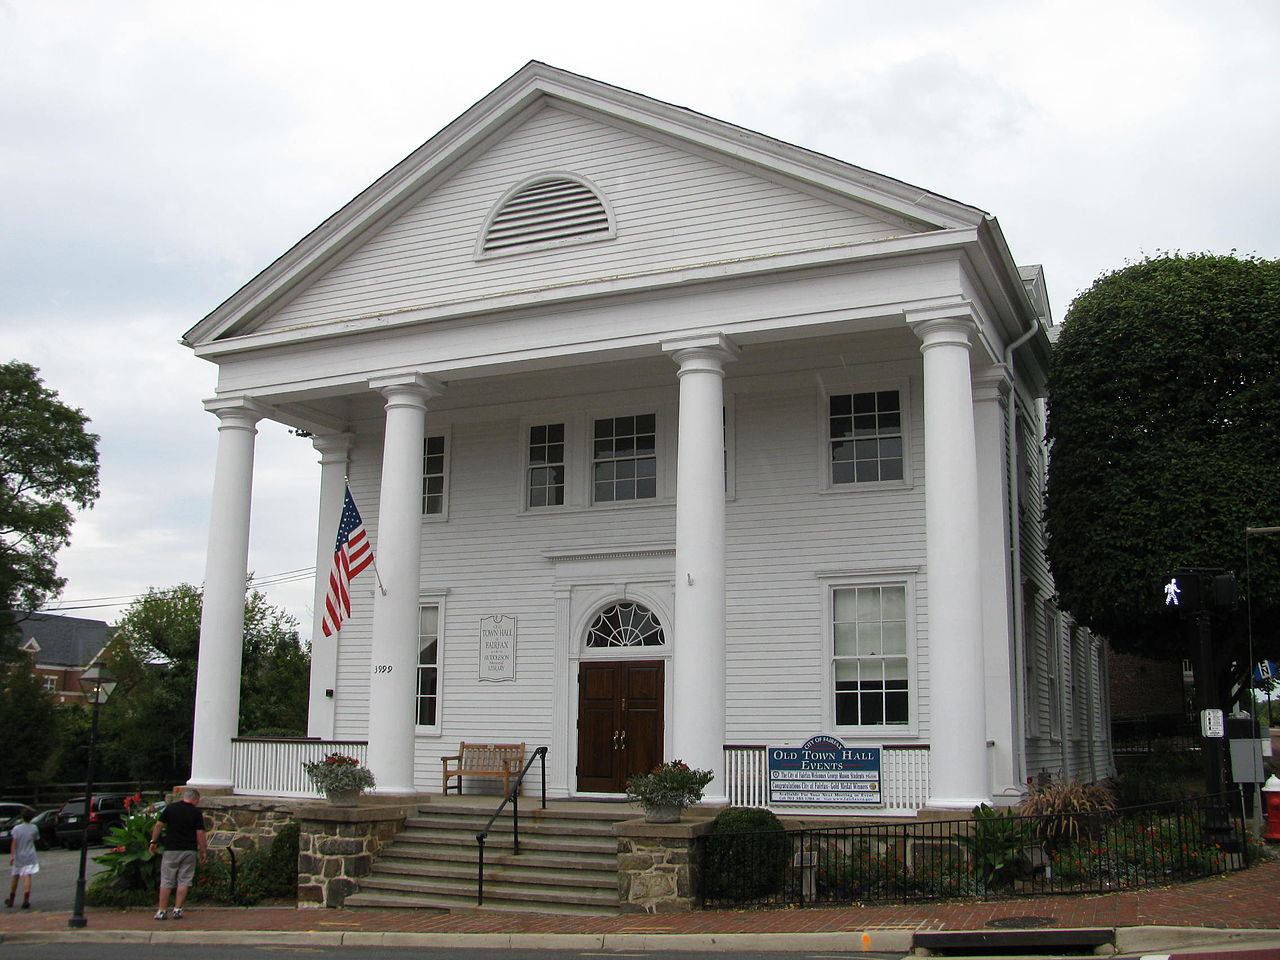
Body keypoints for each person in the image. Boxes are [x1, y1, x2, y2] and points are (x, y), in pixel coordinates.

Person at [148, 788, 207, 920]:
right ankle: (177, 909)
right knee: (184, 880)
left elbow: (159, 825)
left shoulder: (171, 808)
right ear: (195, 799)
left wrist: (153, 841)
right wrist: (203, 850)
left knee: (167, 880)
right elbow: (200, 833)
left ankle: (162, 911)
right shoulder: (196, 812)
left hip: (171, 849)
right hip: (189, 849)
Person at [5, 810, 39, 909]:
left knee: (15, 876)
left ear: (22, 817)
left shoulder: (16, 828)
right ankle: (26, 899)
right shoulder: (34, 827)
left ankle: (11, 899)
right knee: (27, 876)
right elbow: (36, 838)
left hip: (19, 856)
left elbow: (14, 843)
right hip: (30, 855)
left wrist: (12, 856)